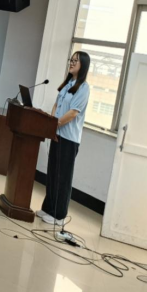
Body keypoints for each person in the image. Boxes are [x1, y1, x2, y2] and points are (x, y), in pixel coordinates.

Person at [37, 51, 91, 227]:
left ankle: (59, 215)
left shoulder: (84, 88)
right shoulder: (68, 83)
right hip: (57, 134)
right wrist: (52, 123)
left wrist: (55, 125)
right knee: (53, 173)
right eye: (71, 60)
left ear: (83, 65)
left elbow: (73, 113)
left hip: (69, 139)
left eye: (76, 61)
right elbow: (56, 104)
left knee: (63, 177)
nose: (72, 63)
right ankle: (48, 209)